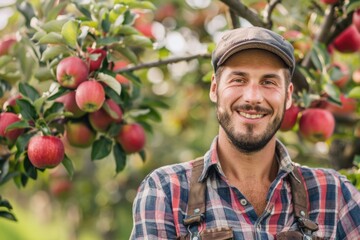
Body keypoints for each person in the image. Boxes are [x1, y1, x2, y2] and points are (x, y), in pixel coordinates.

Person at [130, 26, 360, 239]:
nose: (252, 97)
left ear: (289, 96)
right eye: (238, 79)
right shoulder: (167, 192)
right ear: (214, 88)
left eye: (268, 82)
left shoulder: (334, 194)